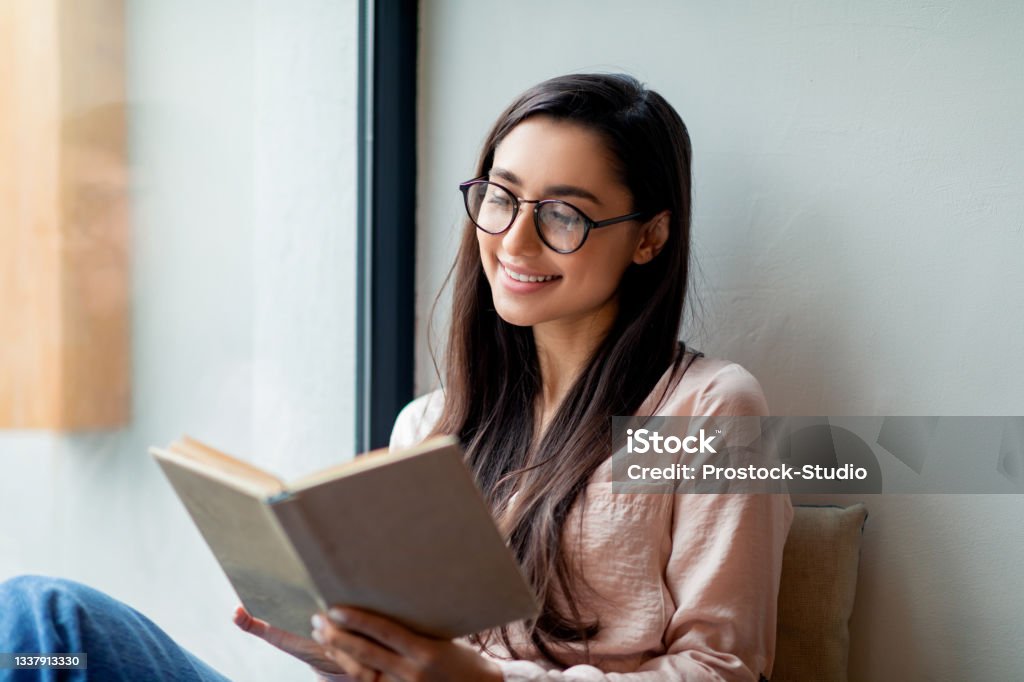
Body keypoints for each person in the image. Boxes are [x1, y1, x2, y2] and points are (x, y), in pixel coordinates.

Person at [0, 73, 791, 682]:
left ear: (649, 236)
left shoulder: (706, 410)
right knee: (37, 625)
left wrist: (479, 679)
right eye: (500, 198)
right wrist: (341, 648)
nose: (514, 241)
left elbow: (719, 671)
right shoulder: (431, 426)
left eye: (563, 215)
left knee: (48, 621)